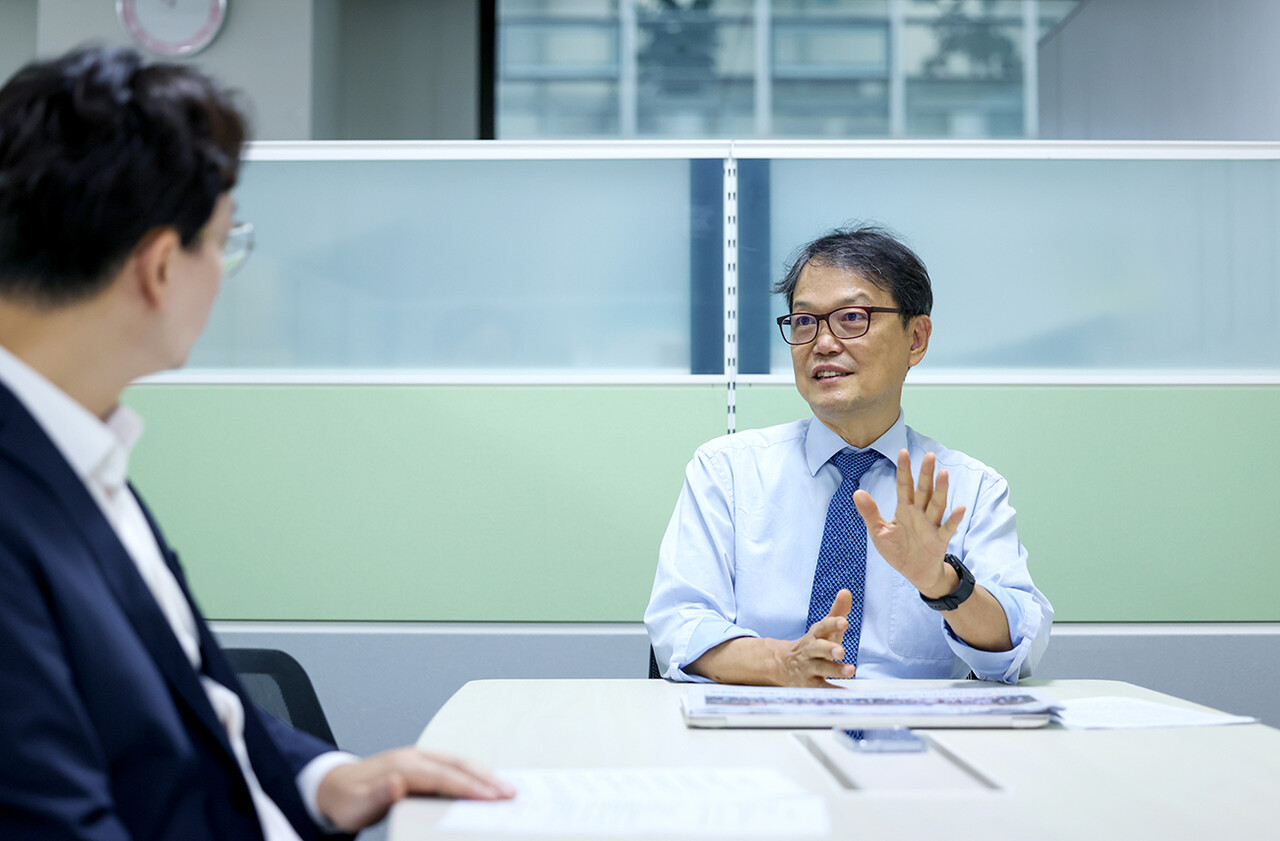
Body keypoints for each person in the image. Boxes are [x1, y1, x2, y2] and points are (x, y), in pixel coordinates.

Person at [0, 47, 513, 841]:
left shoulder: (78, 449)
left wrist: (330, 775)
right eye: (224, 242)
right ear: (161, 268)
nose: (227, 270)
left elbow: (195, 704)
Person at [645, 225, 1052, 686]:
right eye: (804, 321)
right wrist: (785, 663)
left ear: (916, 339)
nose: (822, 343)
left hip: (912, 742)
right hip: (757, 733)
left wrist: (943, 585)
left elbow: (1018, 645)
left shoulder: (967, 488)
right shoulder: (727, 471)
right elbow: (679, 625)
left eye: (852, 318)